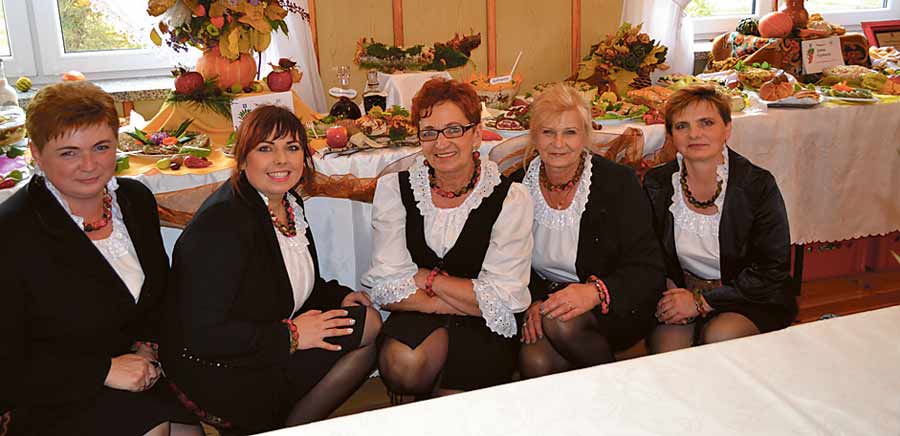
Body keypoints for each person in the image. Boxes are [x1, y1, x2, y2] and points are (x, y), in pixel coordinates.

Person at [162, 105, 381, 434]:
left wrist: (340, 296)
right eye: (265, 148)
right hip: (220, 368)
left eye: (292, 147)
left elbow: (288, 279)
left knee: (369, 329)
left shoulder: (289, 204)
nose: (281, 160)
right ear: (242, 159)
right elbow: (203, 334)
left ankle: (281, 426)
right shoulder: (222, 224)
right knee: (367, 330)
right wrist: (292, 336)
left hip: (263, 341)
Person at [0, 81, 200, 435]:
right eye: (69, 153)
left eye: (101, 147)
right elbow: (8, 362)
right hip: (55, 393)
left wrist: (148, 346)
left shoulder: (135, 201)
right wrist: (103, 371)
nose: (89, 165)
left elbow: (157, 298)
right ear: (36, 153)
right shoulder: (12, 230)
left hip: (139, 376)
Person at [362, 78, 533, 397]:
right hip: (423, 315)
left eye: (454, 129)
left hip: (484, 327)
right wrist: (466, 299)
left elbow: (506, 298)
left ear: (477, 134)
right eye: (429, 132)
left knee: (457, 403)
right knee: (403, 364)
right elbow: (386, 288)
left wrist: (427, 279)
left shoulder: (511, 198)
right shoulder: (395, 190)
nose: (441, 143)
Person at [513, 84, 665, 378]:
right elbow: (510, 260)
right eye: (548, 132)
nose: (558, 143)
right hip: (548, 304)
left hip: (612, 303)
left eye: (570, 132)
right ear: (534, 136)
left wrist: (594, 292)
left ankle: (616, 390)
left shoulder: (617, 183)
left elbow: (648, 268)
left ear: (585, 135)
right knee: (535, 360)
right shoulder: (518, 186)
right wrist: (534, 300)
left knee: (561, 324)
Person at [643, 84, 798, 353]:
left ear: (727, 128)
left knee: (720, 336)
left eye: (707, 123)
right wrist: (671, 293)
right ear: (671, 135)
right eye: (682, 126)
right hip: (682, 291)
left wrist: (702, 302)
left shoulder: (757, 185)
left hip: (747, 296)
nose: (694, 134)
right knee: (668, 352)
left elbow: (772, 269)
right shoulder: (657, 183)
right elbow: (649, 252)